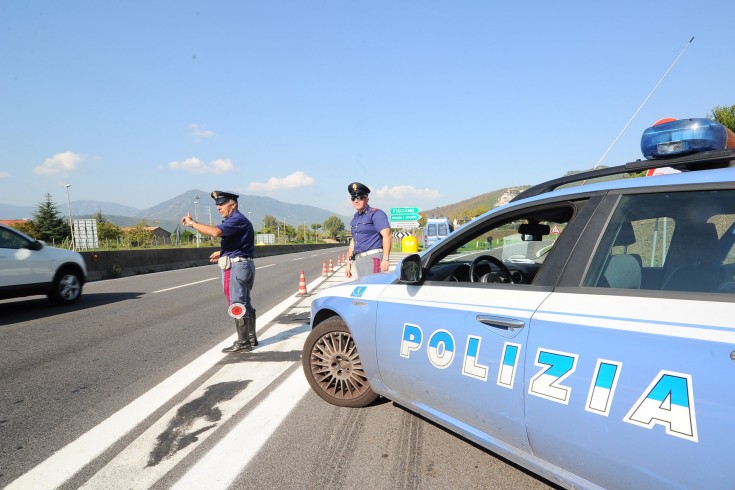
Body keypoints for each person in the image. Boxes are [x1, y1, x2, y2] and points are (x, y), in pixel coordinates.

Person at [181, 190, 257, 353]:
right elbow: (240, 245)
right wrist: (222, 252)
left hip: (238, 266)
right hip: (243, 263)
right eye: (217, 205)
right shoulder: (236, 220)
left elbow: (215, 232)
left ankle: (243, 342)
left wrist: (192, 224)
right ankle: (250, 337)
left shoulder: (236, 219)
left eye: (222, 204)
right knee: (244, 301)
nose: (218, 207)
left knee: (237, 302)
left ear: (233, 204)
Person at [345, 182, 392, 278]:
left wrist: (386, 259)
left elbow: (387, 235)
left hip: (373, 257)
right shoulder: (355, 218)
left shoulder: (376, 214)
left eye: (360, 197)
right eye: (353, 198)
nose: (356, 201)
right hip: (359, 259)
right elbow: (353, 241)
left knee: (374, 289)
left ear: (367, 199)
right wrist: (349, 262)